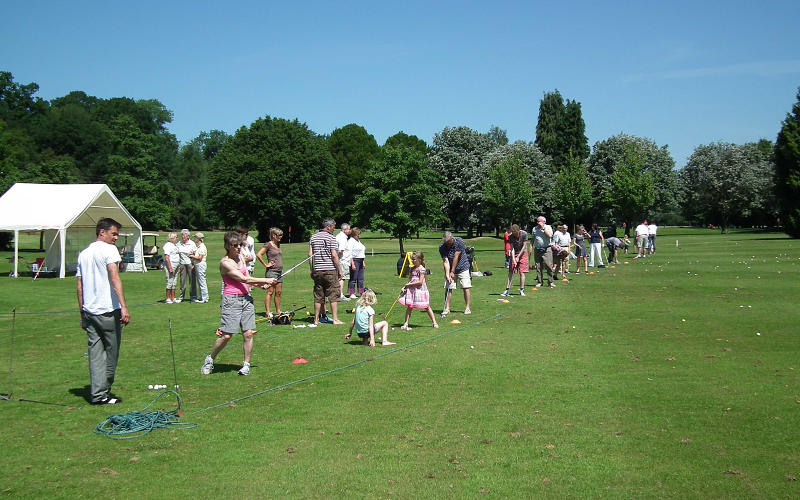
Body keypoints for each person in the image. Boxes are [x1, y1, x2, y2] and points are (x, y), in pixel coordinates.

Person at [201, 231, 277, 377]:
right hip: (231, 300)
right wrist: (266, 280)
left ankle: (246, 365)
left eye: (240, 245)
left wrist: (259, 286)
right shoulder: (225, 263)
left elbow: (248, 278)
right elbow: (243, 279)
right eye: (235, 245)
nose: (238, 248)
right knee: (227, 335)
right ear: (227, 246)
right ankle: (210, 359)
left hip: (246, 298)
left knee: (248, 333)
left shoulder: (241, 257)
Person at [76, 218, 130, 405]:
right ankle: (104, 392)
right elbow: (115, 278)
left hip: (90, 311)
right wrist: (123, 306)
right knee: (111, 352)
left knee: (95, 353)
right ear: (102, 232)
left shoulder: (84, 253)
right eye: (113, 233)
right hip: (107, 311)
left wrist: (82, 312)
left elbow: (80, 286)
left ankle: (97, 394)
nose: (116, 237)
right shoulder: (109, 250)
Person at [309, 217, 344, 325]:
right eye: (333, 227)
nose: (334, 229)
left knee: (318, 295)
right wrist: (339, 270)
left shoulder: (313, 237)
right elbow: (334, 255)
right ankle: (335, 319)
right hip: (330, 269)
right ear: (328, 227)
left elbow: (310, 255)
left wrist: (312, 269)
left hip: (318, 270)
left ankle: (316, 320)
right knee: (333, 294)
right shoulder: (331, 238)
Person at [397, 251, 439, 329]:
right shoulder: (412, 269)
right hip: (412, 291)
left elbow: (420, 282)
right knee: (410, 306)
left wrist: (409, 285)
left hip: (420, 291)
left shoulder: (422, 269)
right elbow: (411, 280)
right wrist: (405, 287)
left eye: (414, 259)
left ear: (419, 260)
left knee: (426, 306)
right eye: (412, 259)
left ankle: (434, 322)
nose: (412, 261)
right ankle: (406, 323)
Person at [439, 231, 472, 315]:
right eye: (446, 243)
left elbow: (456, 257)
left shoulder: (459, 241)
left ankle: (467, 308)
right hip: (450, 269)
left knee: (466, 287)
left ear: (452, 239)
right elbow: (445, 261)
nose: (448, 245)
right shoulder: (442, 247)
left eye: (449, 242)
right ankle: (447, 308)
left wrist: (452, 271)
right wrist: (447, 274)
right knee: (448, 288)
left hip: (463, 267)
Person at [256, 227, 284, 318]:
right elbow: (259, 254)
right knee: (270, 292)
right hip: (271, 272)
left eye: (281, 235)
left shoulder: (278, 244)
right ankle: (268, 312)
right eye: (279, 235)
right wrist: (266, 264)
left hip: (280, 272)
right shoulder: (268, 244)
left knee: (278, 292)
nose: (280, 237)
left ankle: (278, 311)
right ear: (273, 235)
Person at [500, 224, 529, 297]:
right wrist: (513, 259)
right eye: (513, 234)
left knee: (522, 272)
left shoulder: (524, 234)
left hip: (523, 253)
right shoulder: (510, 236)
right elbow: (511, 248)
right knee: (511, 271)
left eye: (515, 234)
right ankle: (507, 289)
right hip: (515, 253)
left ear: (519, 231)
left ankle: (521, 290)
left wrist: (518, 257)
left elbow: (524, 246)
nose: (515, 235)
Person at [531, 216, 555, 288]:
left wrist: (543, 228)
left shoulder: (548, 227)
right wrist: (531, 248)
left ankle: (550, 282)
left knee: (548, 266)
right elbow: (533, 238)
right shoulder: (534, 229)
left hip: (547, 249)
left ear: (544, 222)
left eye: (539, 221)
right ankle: (539, 282)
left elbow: (550, 235)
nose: (538, 223)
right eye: (537, 221)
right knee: (538, 266)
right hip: (537, 249)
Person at [176, 229, 197, 302]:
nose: (182, 236)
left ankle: (193, 296)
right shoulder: (179, 243)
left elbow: (195, 254)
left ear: (188, 236)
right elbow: (177, 255)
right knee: (182, 281)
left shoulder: (192, 243)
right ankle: (181, 297)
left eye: (184, 235)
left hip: (190, 264)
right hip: (182, 264)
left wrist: (193, 264)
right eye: (182, 235)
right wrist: (178, 266)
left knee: (192, 281)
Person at [347, 227, 366, 298]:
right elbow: (349, 253)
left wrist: (363, 262)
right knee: (353, 278)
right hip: (354, 260)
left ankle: (361, 292)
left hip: (360, 260)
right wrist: (352, 264)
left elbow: (361, 252)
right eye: (357, 234)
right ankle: (351, 293)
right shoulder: (351, 241)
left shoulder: (358, 241)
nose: (359, 236)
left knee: (361, 278)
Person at [191, 232, 209, 303]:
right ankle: (202, 297)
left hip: (201, 264)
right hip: (198, 265)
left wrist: (192, 256)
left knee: (202, 282)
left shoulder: (202, 247)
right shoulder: (198, 246)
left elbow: (200, 258)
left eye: (195, 237)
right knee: (200, 281)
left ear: (199, 239)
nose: (194, 239)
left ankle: (205, 298)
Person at [162, 232, 179, 304]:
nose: (177, 238)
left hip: (176, 265)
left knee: (174, 282)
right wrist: (170, 267)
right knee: (169, 281)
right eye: (176, 237)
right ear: (172, 238)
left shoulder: (174, 245)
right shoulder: (167, 245)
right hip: (171, 265)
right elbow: (167, 257)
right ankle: (167, 298)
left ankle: (173, 297)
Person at [336, 223, 351, 300]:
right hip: (343, 261)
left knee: (340, 278)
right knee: (342, 278)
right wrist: (336, 259)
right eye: (349, 229)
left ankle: (338, 294)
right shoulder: (342, 238)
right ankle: (340, 295)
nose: (350, 230)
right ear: (345, 230)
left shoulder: (339, 236)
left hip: (341, 261)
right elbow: (340, 251)